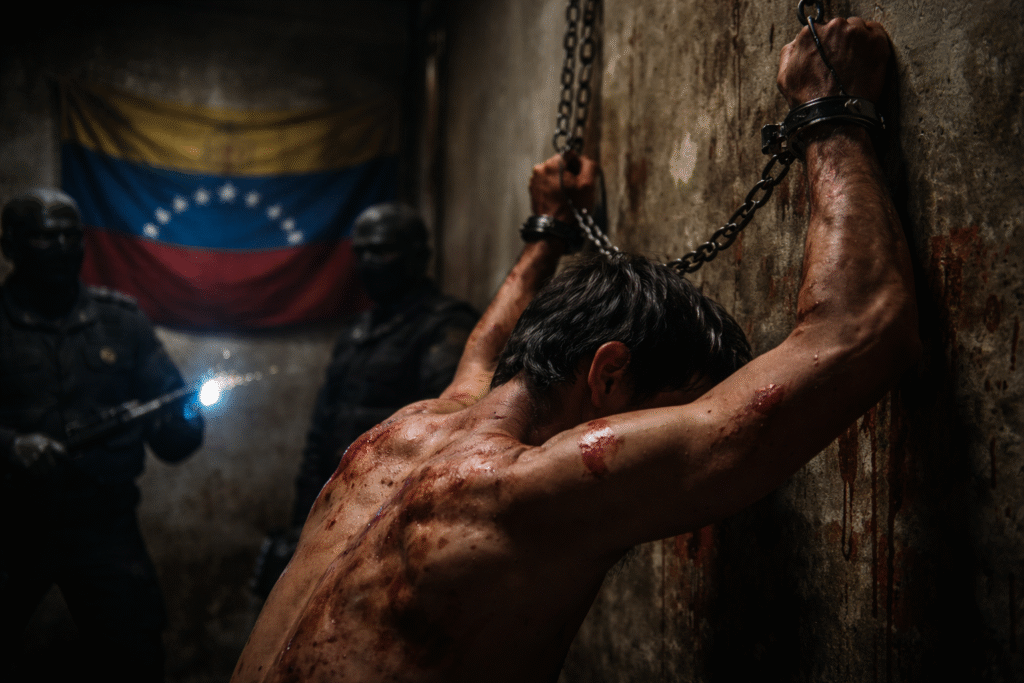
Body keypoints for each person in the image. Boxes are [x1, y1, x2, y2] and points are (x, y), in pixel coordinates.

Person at [231, 17, 919, 683]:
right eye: (670, 410)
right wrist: (829, 113)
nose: (659, 433)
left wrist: (546, 235)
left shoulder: (406, 432)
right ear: (610, 371)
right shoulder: (523, 493)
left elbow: (485, 351)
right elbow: (859, 330)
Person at [0, 188, 205, 682]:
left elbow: (176, 433)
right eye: (47, 236)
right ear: (11, 246)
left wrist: (178, 421)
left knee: (134, 655)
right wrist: (11, 446)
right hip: (11, 524)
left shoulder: (122, 321)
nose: (65, 246)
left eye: (73, 235)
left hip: (103, 524)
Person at [250, 203, 479, 598]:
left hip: (397, 518)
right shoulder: (356, 332)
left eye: (382, 250)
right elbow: (322, 431)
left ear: (417, 256)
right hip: (337, 513)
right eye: (362, 252)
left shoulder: (445, 326)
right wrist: (303, 523)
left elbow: (454, 430)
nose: (370, 262)